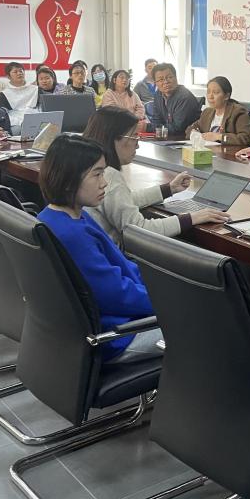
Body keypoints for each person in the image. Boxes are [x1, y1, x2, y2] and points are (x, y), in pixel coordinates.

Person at [37, 135, 160, 362]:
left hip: (100, 327)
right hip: (117, 336)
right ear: (68, 180)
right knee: (206, 327)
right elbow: (117, 296)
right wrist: (170, 303)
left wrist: (161, 287)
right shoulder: (73, 235)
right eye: (97, 174)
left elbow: (120, 269)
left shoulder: (55, 216)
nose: (104, 183)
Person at [84, 106, 228, 242]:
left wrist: (169, 189)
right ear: (114, 139)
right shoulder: (108, 176)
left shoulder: (89, 168)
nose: (138, 145)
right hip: (116, 256)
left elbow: (123, 200)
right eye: (134, 137)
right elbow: (139, 229)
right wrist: (193, 217)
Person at [185, 75, 250, 146]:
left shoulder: (237, 112)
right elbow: (190, 129)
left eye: (215, 92)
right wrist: (194, 133)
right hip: (208, 150)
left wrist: (219, 137)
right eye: (208, 92)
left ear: (226, 96)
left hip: (228, 152)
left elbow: (246, 138)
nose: (210, 96)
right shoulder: (207, 112)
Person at [149, 63, 200, 137]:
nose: (166, 82)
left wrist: (148, 127)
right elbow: (156, 120)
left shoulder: (184, 97)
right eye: (161, 79)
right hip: (168, 137)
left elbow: (178, 128)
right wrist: (154, 128)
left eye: (169, 77)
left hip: (186, 138)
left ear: (176, 77)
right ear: (155, 83)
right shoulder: (158, 95)